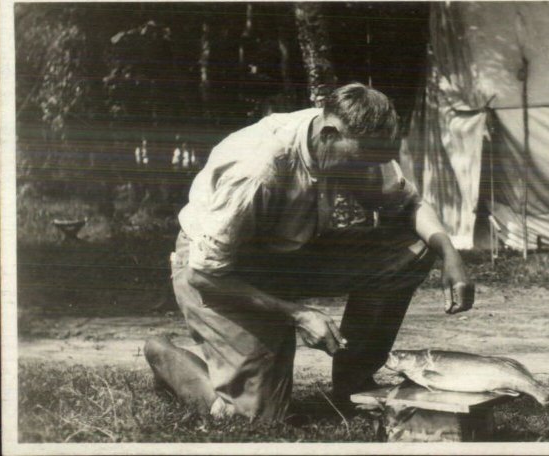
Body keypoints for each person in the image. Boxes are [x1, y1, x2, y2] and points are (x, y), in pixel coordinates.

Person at [144, 83, 475, 422]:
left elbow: (408, 204)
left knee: (415, 247)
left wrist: (450, 254)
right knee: (253, 417)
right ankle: (165, 355)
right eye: (363, 161)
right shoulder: (258, 169)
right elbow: (204, 273)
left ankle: (354, 386)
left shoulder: (355, 143)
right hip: (220, 272)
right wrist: (297, 314)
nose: (370, 171)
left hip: (288, 252)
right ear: (330, 134)